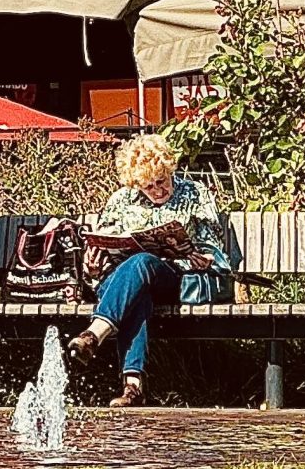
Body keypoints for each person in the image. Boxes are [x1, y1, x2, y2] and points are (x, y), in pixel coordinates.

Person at [66, 132, 232, 406]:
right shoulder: (121, 200)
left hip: (171, 278)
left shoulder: (194, 194)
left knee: (141, 263)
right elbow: (102, 246)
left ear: (170, 169)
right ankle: (133, 387)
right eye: (148, 186)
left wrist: (201, 257)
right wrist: (92, 268)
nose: (157, 191)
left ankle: (94, 334)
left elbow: (212, 245)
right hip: (121, 283)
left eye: (161, 181)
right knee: (136, 291)